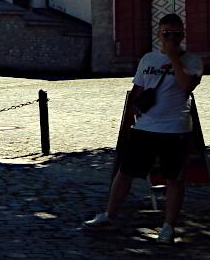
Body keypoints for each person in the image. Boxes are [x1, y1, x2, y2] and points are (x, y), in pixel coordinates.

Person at [85, 13, 202, 243]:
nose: (171, 38)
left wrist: (174, 58)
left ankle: (168, 227)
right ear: (158, 34)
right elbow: (137, 92)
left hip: (176, 129)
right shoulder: (147, 59)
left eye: (176, 34)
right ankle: (109, 214)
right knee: (125, 172)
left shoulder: (193, 61)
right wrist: (128, 123)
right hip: (145, 127)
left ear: (183, 35)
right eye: (167, 33)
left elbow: (187, 85)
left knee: (174, 179)